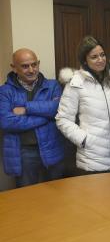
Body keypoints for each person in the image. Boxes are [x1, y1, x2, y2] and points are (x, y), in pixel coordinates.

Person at [56, 36, 110, 174]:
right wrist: (84, 140)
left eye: (102, 55)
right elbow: (62, 119)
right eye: (94, 57)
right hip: (92, 160)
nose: (100, 60)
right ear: (85, 61)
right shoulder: (75, 83)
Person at [0, 48, 64, 187]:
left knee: (58, 195)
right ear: (14, 68)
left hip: (51, 147)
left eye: (34, 64)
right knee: (26, 198)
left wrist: (26, 108)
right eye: (25, 66)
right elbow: (7, 122)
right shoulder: (5, 92)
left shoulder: (52, 86)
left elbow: (57, 108)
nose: (31, 70)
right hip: (24, 152)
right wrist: (46, 117)